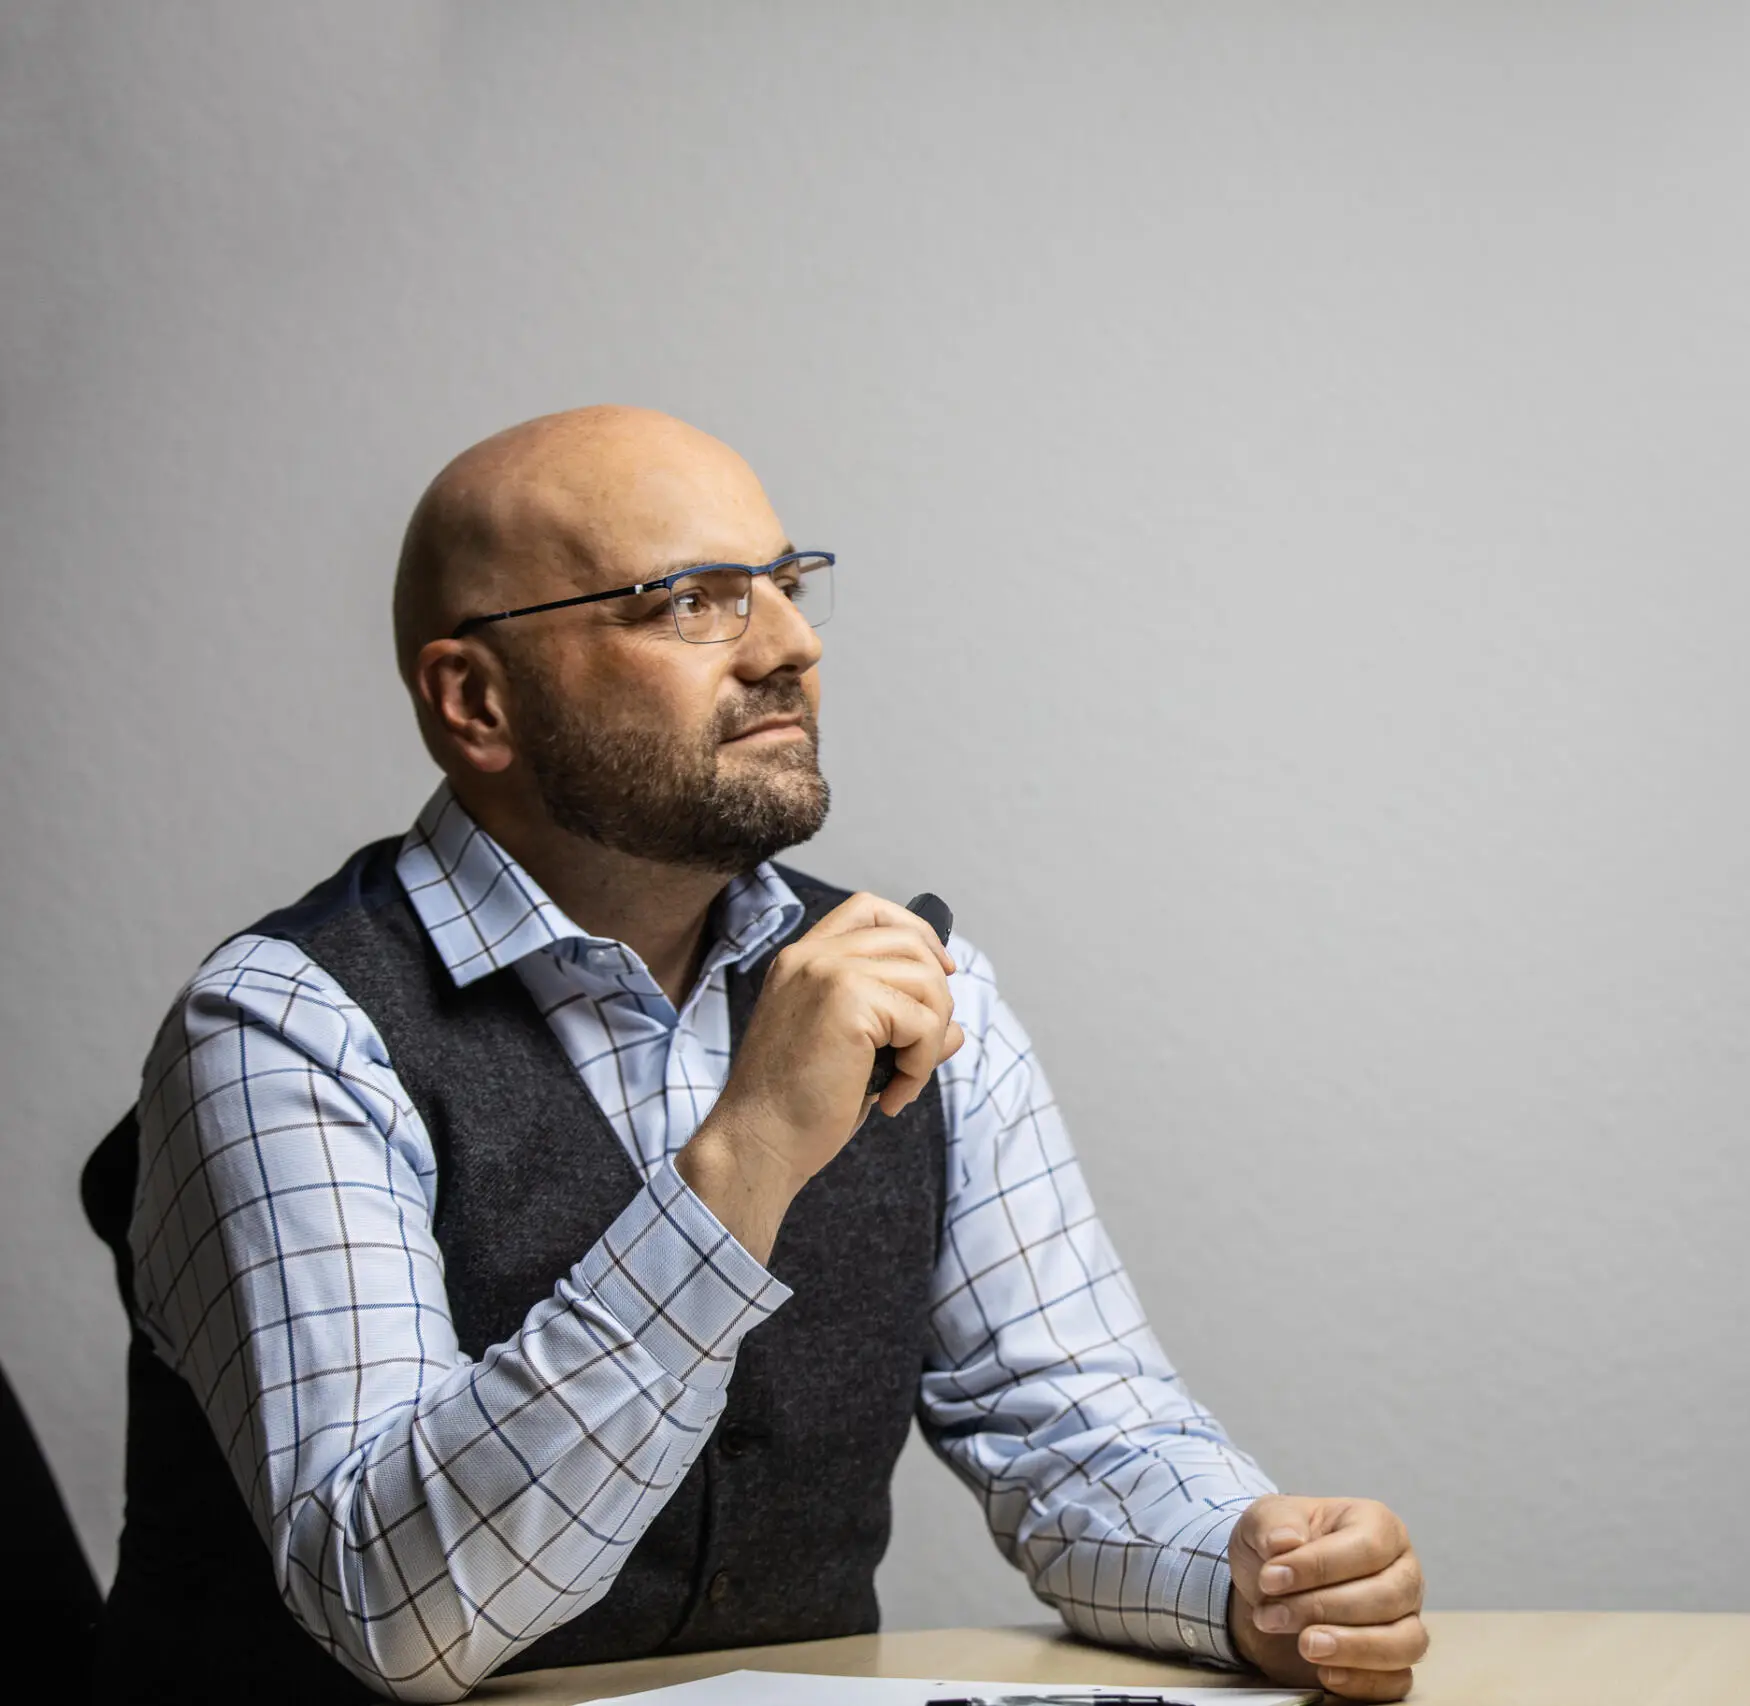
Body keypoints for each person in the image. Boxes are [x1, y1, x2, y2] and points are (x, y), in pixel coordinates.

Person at [90, 406, 1428, 1704]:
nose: (788, 646)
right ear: (476, 699)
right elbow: (399, 1613)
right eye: (689, 599)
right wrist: (748, 1152)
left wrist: (1249, 1574)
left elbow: (1078, 1429)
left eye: (786, 587)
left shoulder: (910, 979)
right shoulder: (284, 1028)